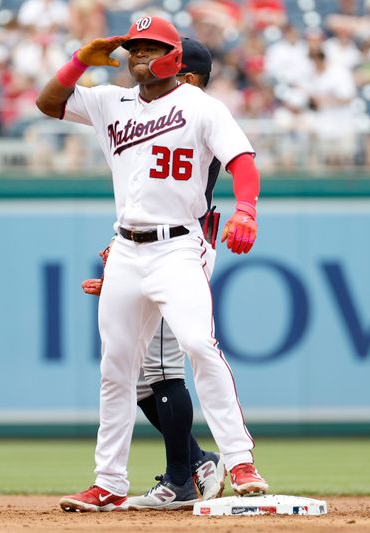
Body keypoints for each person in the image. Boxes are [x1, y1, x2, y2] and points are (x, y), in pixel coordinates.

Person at [35, 16, 268, 513]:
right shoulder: (108, 100)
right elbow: (47, 102)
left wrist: (246, 209)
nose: (140, 53)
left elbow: (242, 163)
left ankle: (240, 459)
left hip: (178, 246)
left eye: (151, 46)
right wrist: (80, 59)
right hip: (125, 248)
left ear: (174, 57)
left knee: (198, 346)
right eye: (134, 46)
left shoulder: (201, 107)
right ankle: (109, 482)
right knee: (116, 368)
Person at [79, 37, 227, 511]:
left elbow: (174, 203)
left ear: (191, 78)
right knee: (142, 379)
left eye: (179, 69)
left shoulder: (197, 114)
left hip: (179, 253)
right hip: (150, 254)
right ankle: (196, 460)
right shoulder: (172, 114)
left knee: (162, 369)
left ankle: (185, 475)